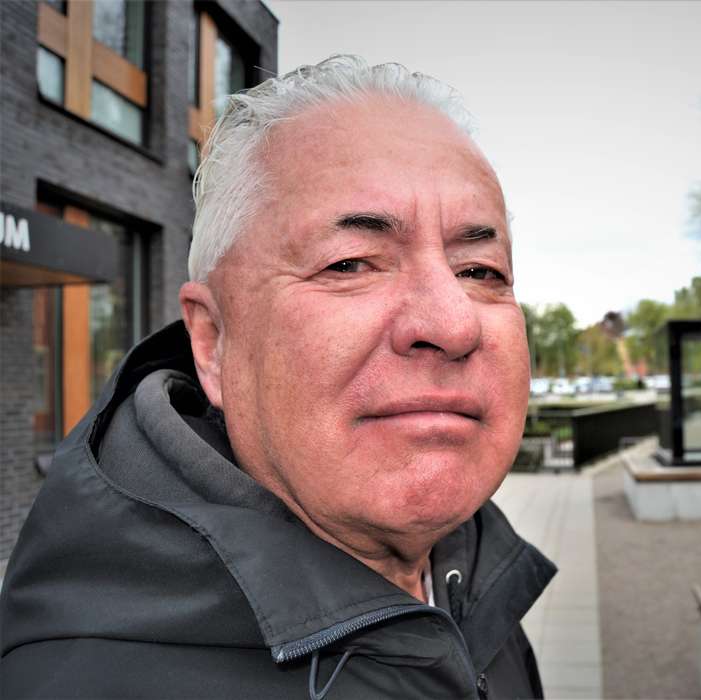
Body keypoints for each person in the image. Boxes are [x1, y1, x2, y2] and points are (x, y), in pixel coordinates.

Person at [0, 55, 555, 699]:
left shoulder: (478, 587)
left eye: (481, 271)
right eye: (349, 263)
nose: (453, 323)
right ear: (213, 342)